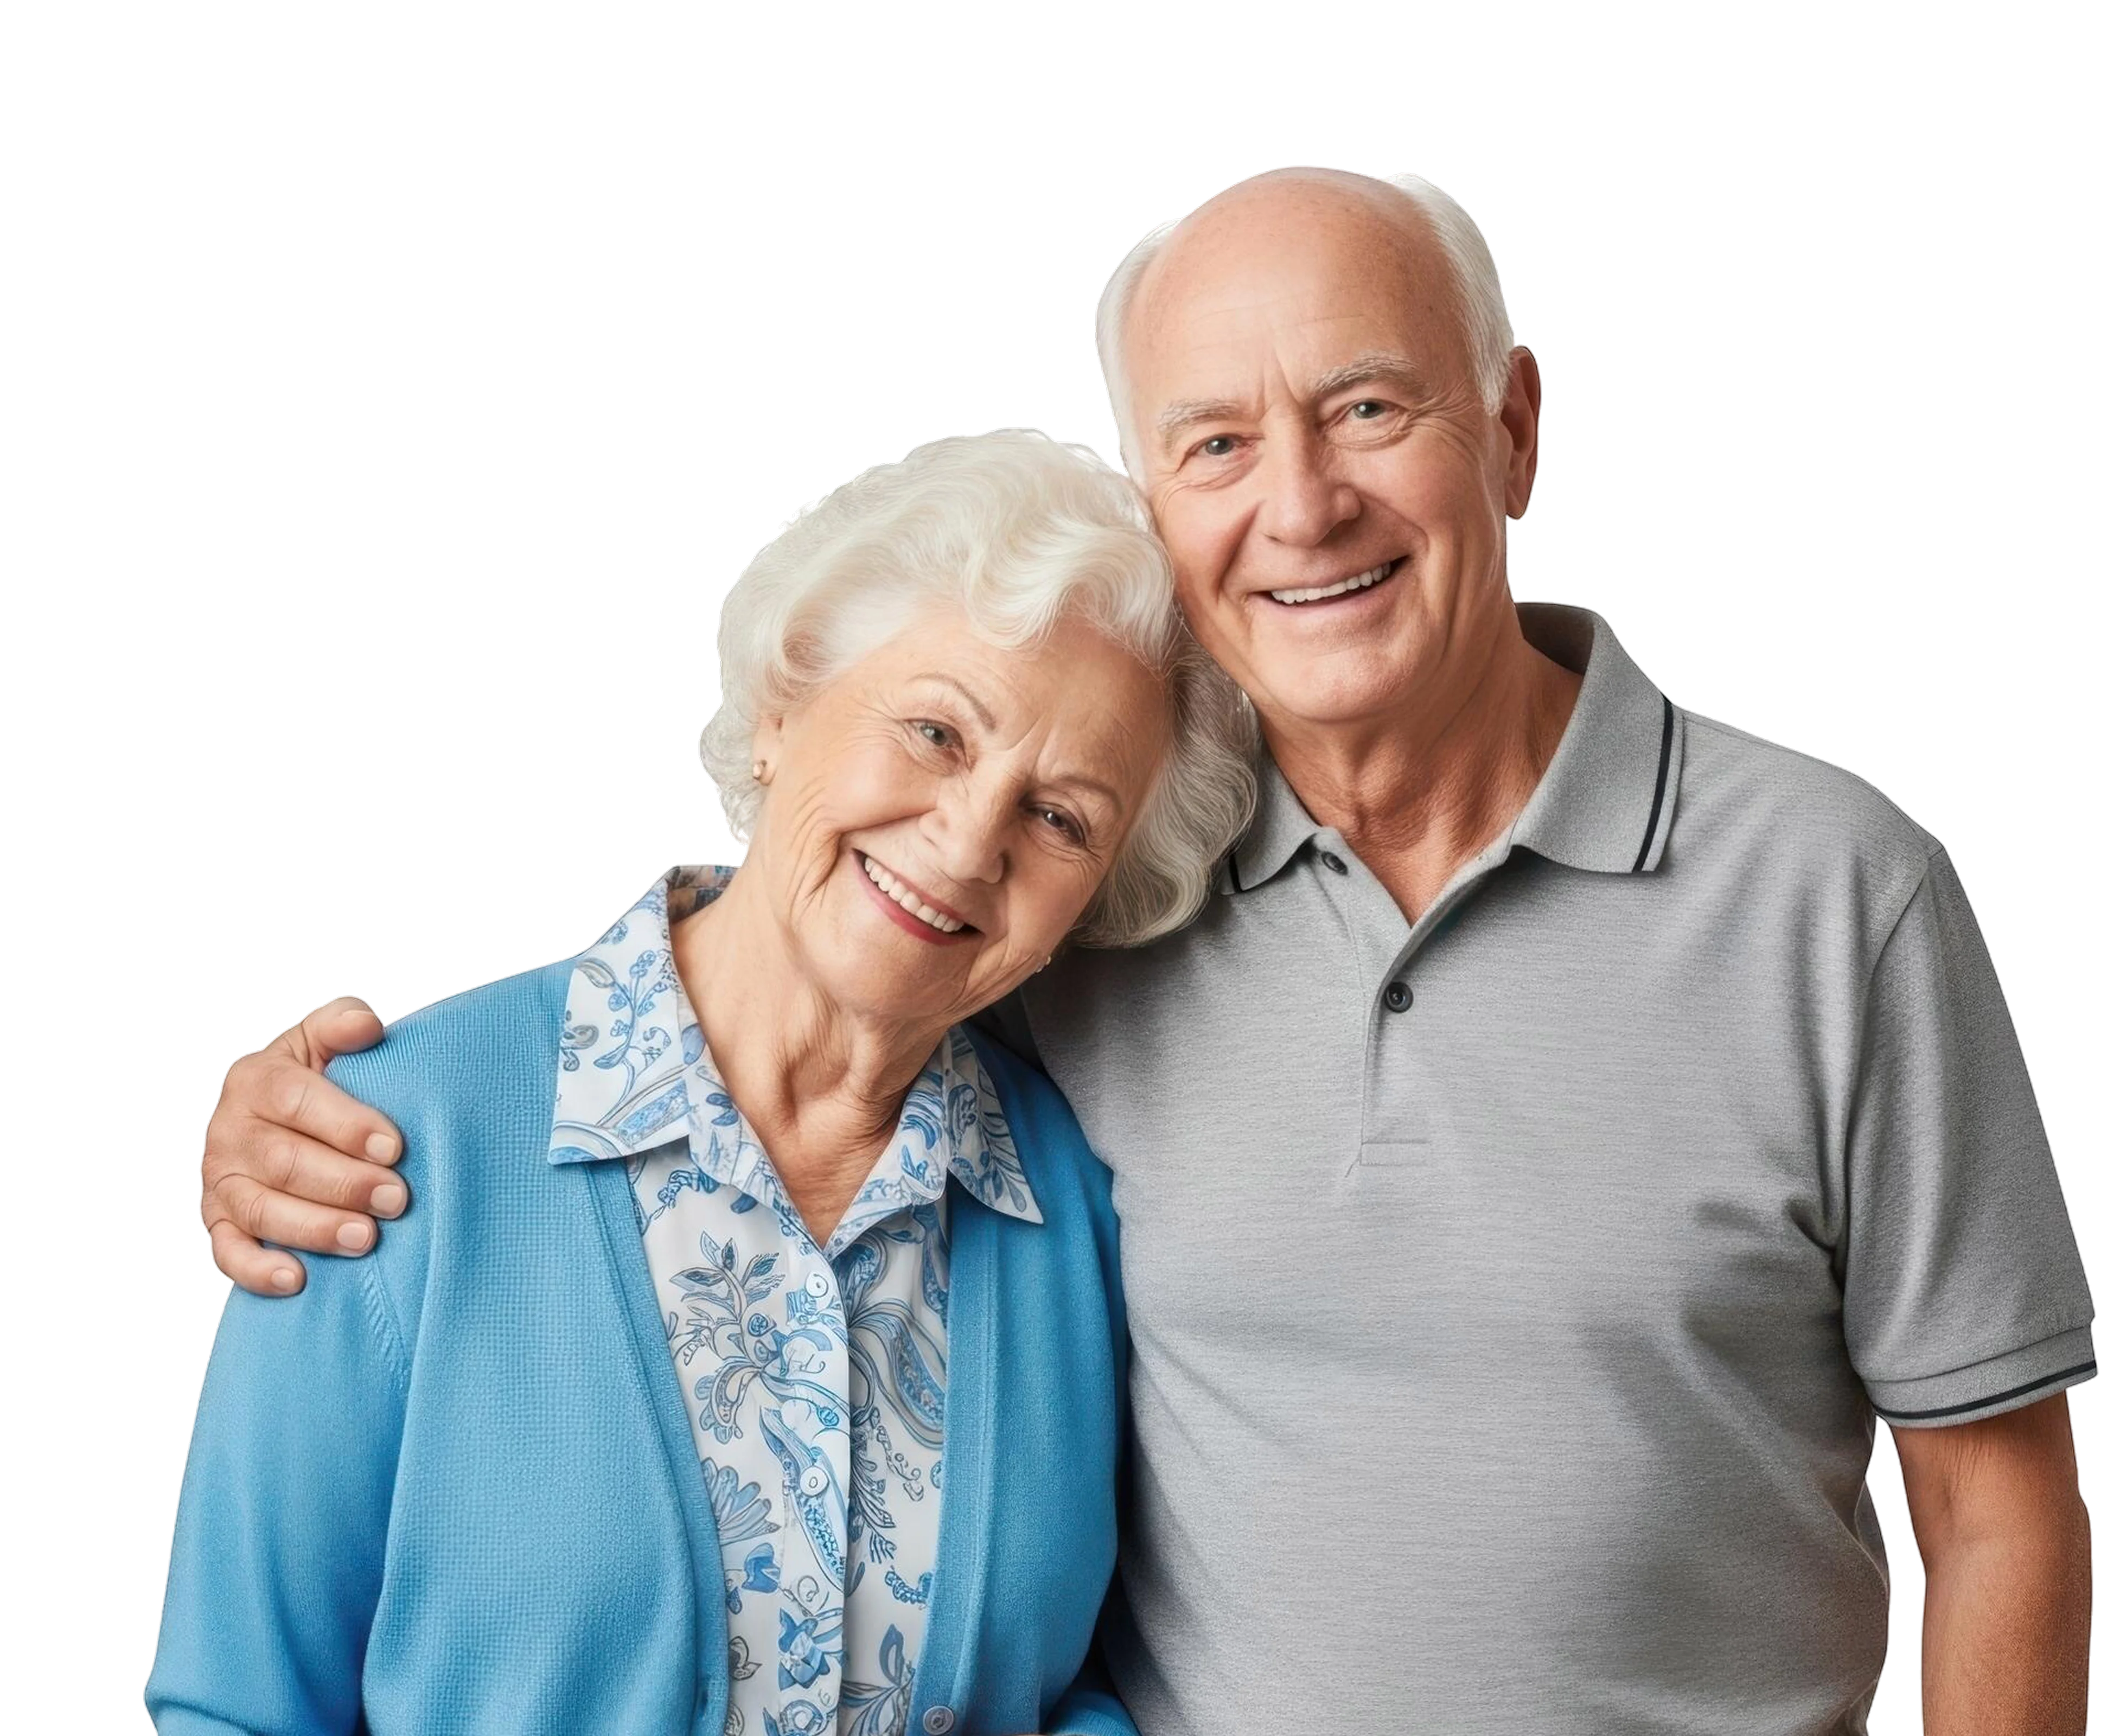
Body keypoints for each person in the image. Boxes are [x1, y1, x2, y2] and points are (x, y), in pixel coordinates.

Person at [190, 168, 2096, 1732]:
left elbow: (1996, 1509)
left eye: (1368, 405)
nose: (1302, 501)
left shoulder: (1828, 894)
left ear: (1507, 429)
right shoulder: (441, 1140)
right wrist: (303, 1116)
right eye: (1215, 441)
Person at [147, 428, 1258, 1735]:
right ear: (786, 708)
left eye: (1061, 816)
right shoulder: (389, 1141)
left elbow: (1055, 1689)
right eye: (935, 731)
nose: (968, 843)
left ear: (1098, 894)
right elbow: (236, 1710)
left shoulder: (1071, 1207)